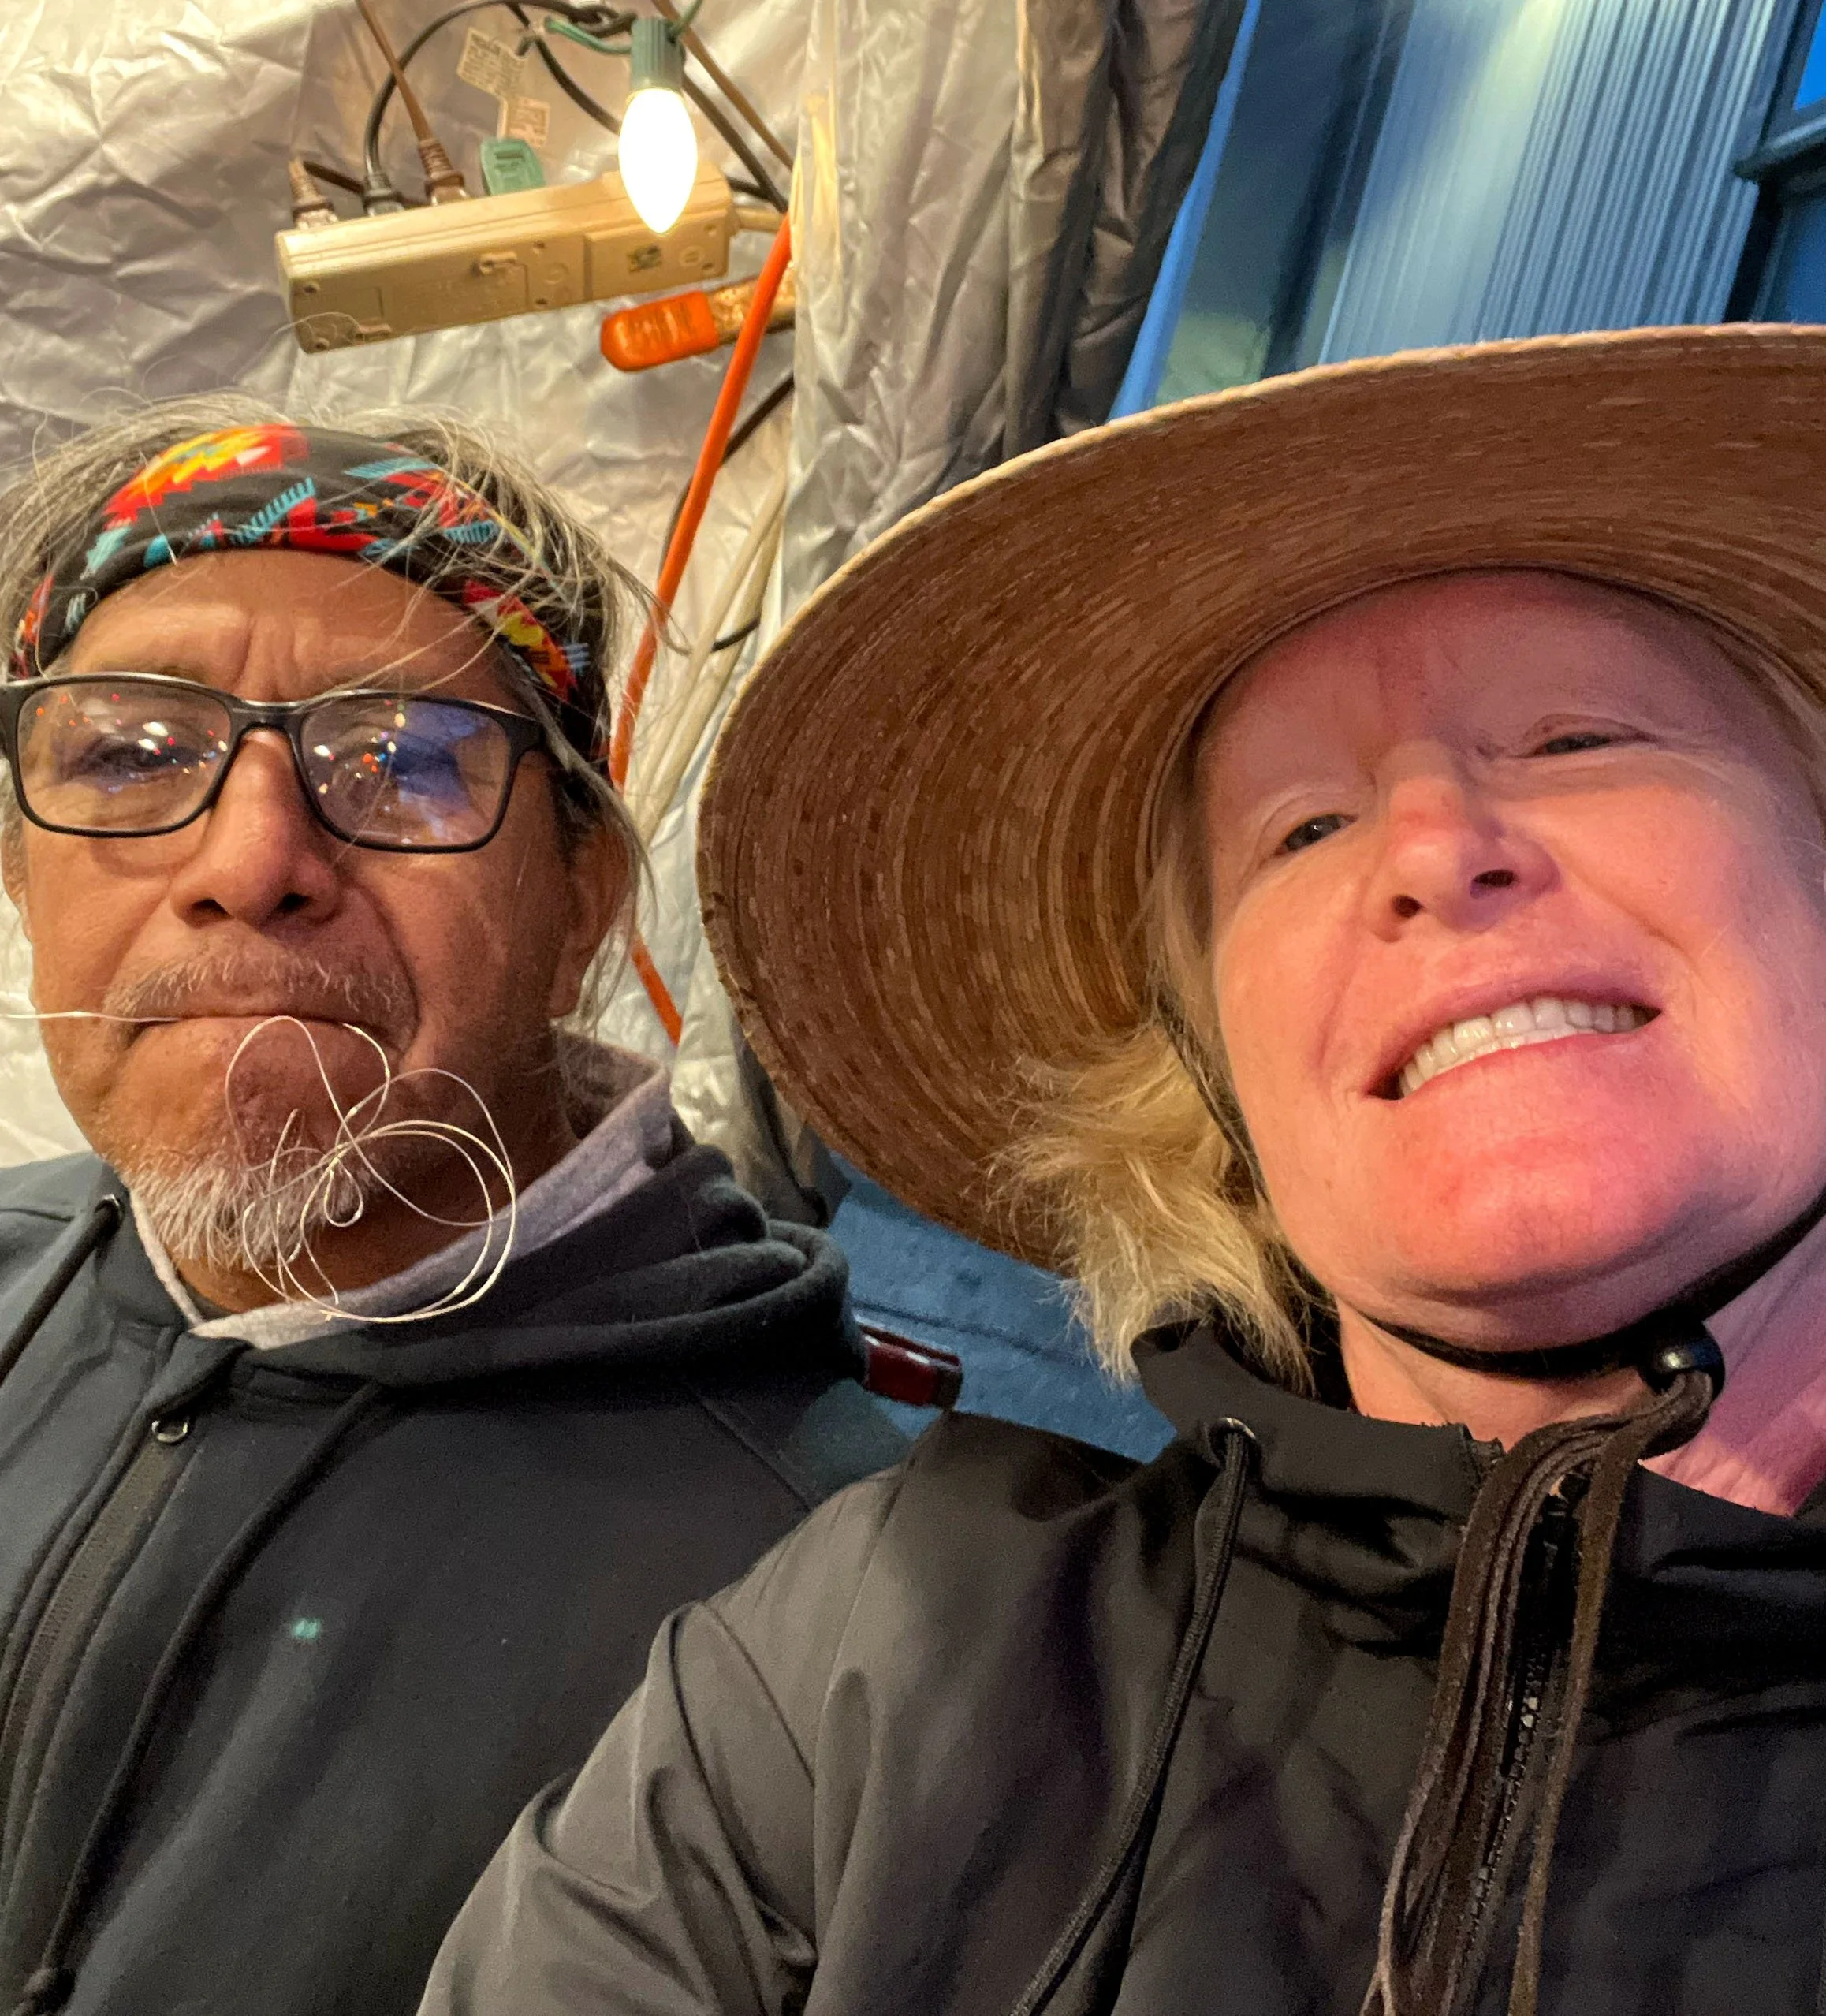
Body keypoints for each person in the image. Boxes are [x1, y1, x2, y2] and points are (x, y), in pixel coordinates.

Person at [422, 324, 1826, 2016]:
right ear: (1216, 1088)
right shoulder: (884, 1656)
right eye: (1302, 828)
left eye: (1582, 739)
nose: (1440, 851)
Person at [0, 403, 911, 2016]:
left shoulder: (844, 1597)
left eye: (405, 760)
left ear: (585, 901)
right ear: (21, 866)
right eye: (132, 755)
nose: (253, 857)